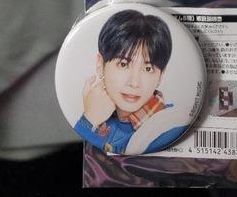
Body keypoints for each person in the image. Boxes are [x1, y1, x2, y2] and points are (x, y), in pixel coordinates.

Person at [74, 8, 187, 154]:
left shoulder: (171, 126)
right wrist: (90, 118)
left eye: (148, 69)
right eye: (123, 64)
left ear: (160, 75)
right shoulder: (102, 118)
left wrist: (87, 122)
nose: (134, 83)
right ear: (100, 65)